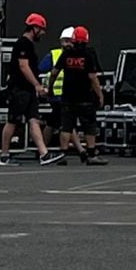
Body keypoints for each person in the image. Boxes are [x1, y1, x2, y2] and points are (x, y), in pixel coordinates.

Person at [0, 13, 63, 166]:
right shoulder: (23, 44)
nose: (43, 33)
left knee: (34, 120)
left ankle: (44, 154)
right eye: (41, 29)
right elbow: (23, 66)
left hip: (27, 91)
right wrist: (37, 85)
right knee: (12, 121)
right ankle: (4, 156)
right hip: (20, 89)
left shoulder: (28, 45)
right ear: (34, 28)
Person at [54, 25, 108, 165]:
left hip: (68, 97)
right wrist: (100, 94)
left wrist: (49, 87)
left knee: (66, 126)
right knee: (89, 126)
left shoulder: (66, 54)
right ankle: (91, 155)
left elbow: (54, 72)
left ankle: (62, 155)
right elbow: (92, 77)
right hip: (85, 97)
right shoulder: (88, 55)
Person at [50, 26, 75, 139]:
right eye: (65, 41)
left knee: (55, 121)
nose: (67, 44)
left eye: (69, 41)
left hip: (67, 95)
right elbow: (42, 70)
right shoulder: (54, 54)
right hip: (59, 96)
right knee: (67, 124)